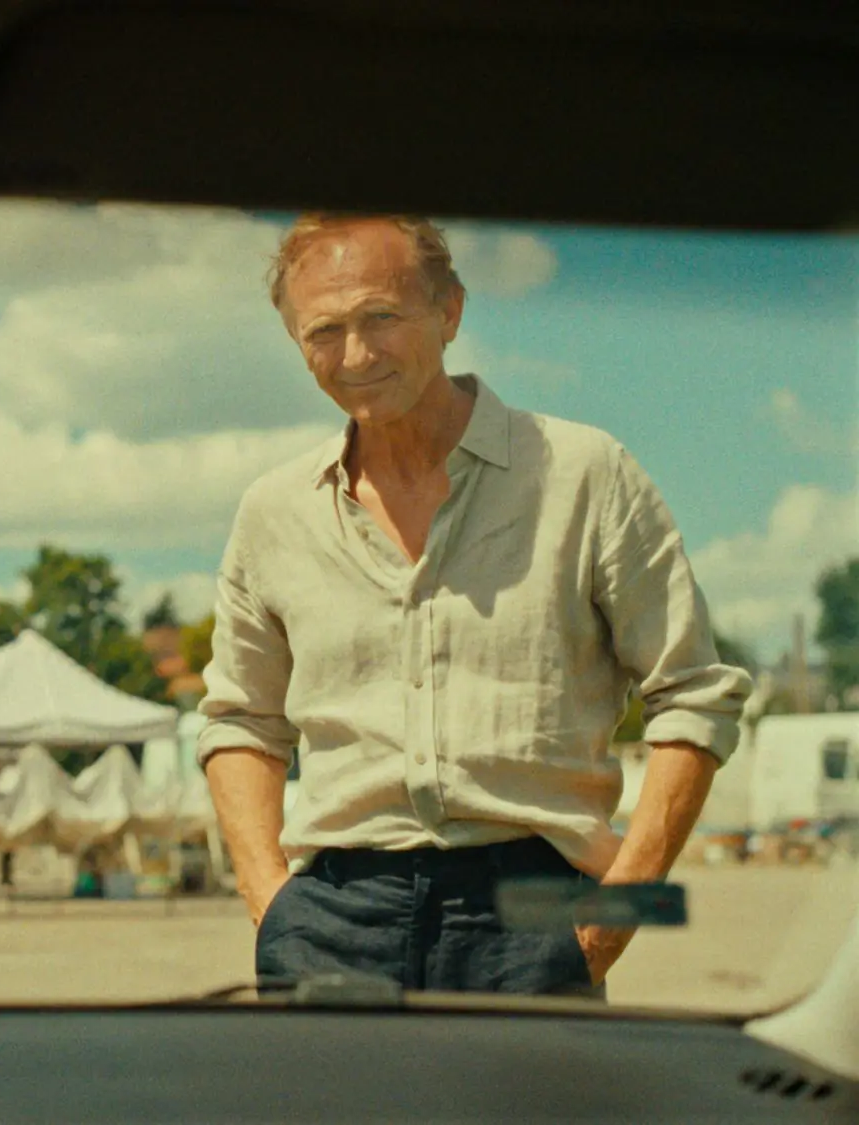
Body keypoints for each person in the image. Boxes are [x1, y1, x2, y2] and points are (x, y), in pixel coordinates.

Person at [198, 214, 751, 998]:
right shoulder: (274, 513)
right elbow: (241, 722)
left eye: (381, 317)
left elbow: (694, 695)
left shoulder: (584, 476)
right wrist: (272, 908)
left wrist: (612, 920)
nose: (356, 355)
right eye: (324, 331)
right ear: (295, 339)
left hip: (536, 908)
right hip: (331, 916)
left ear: (449, 310)